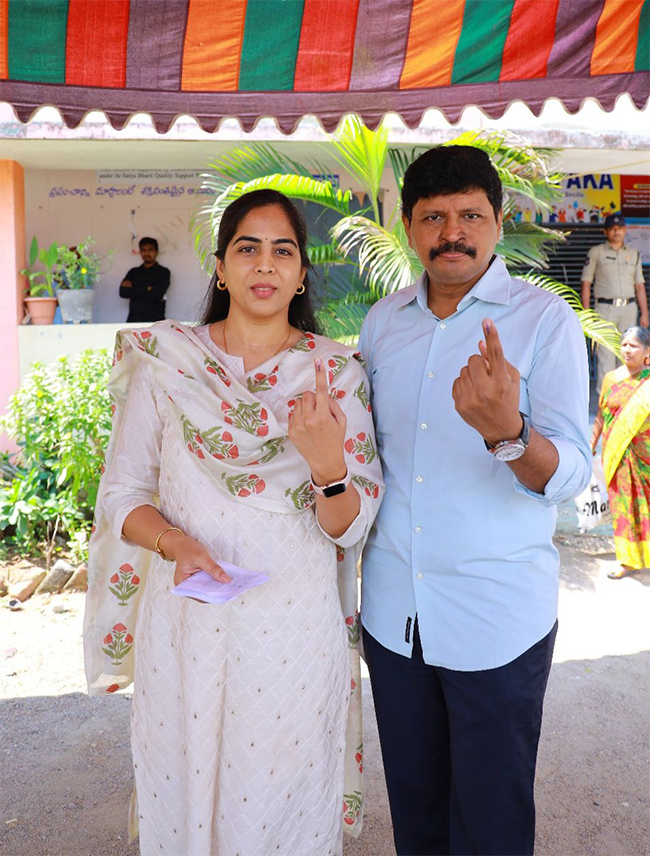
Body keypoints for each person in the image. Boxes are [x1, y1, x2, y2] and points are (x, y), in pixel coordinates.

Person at [84, 190, 383, 855]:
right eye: (248, 248)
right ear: (220, 267)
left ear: (303, 272)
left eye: (284, 251)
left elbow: (348, 528)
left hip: (293, 633)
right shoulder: (167, 365)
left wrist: (328, 465)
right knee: (187, 789)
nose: (265, 265)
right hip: (190, 623)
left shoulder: (335, 373)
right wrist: (175, 541)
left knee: (282, 803)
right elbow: (123, 494)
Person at [357, 145, 591, 856]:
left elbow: (573, 471)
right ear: (407, 226)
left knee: (489, 824)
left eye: (469, 215)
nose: (451, 232)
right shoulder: (383, 323)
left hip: (496, 618)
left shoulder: (542, 320)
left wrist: (509, 434)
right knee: (418, 816)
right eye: (433, 216)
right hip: (395, 613)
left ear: (498, 222)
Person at [590, 326, 650, 579]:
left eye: (633, 345)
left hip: (645, 456)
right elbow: (601, 417)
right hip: (617, 453)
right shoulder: (611, 378)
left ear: (647, 351)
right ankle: (627, 560)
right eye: (624, 344)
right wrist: (591, 444)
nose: (627, 350)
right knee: (624, 506)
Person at [581, 214, 648, 392]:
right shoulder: (596, 253)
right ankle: (607, 402)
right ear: (606, 231)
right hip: (604, 309)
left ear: (625, 230)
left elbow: (639, 285)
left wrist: (645, 313)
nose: (616, 231)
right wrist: (587, 315)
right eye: (612, 228)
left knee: (628, 353)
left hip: (629, 308)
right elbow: (586, 283)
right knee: (605, 355)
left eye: (619, 228)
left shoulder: (633, 254)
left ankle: (625, 399)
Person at [119, 236, 170, 322]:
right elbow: (123, 293)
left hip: (155, 323)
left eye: (150, 250)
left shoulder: (163, 273)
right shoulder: (133, 272)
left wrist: (133, 290)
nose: (146, 253)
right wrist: (146, 289)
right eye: (143, 250)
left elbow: (157, 295)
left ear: (156, 252)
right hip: (133, 322)